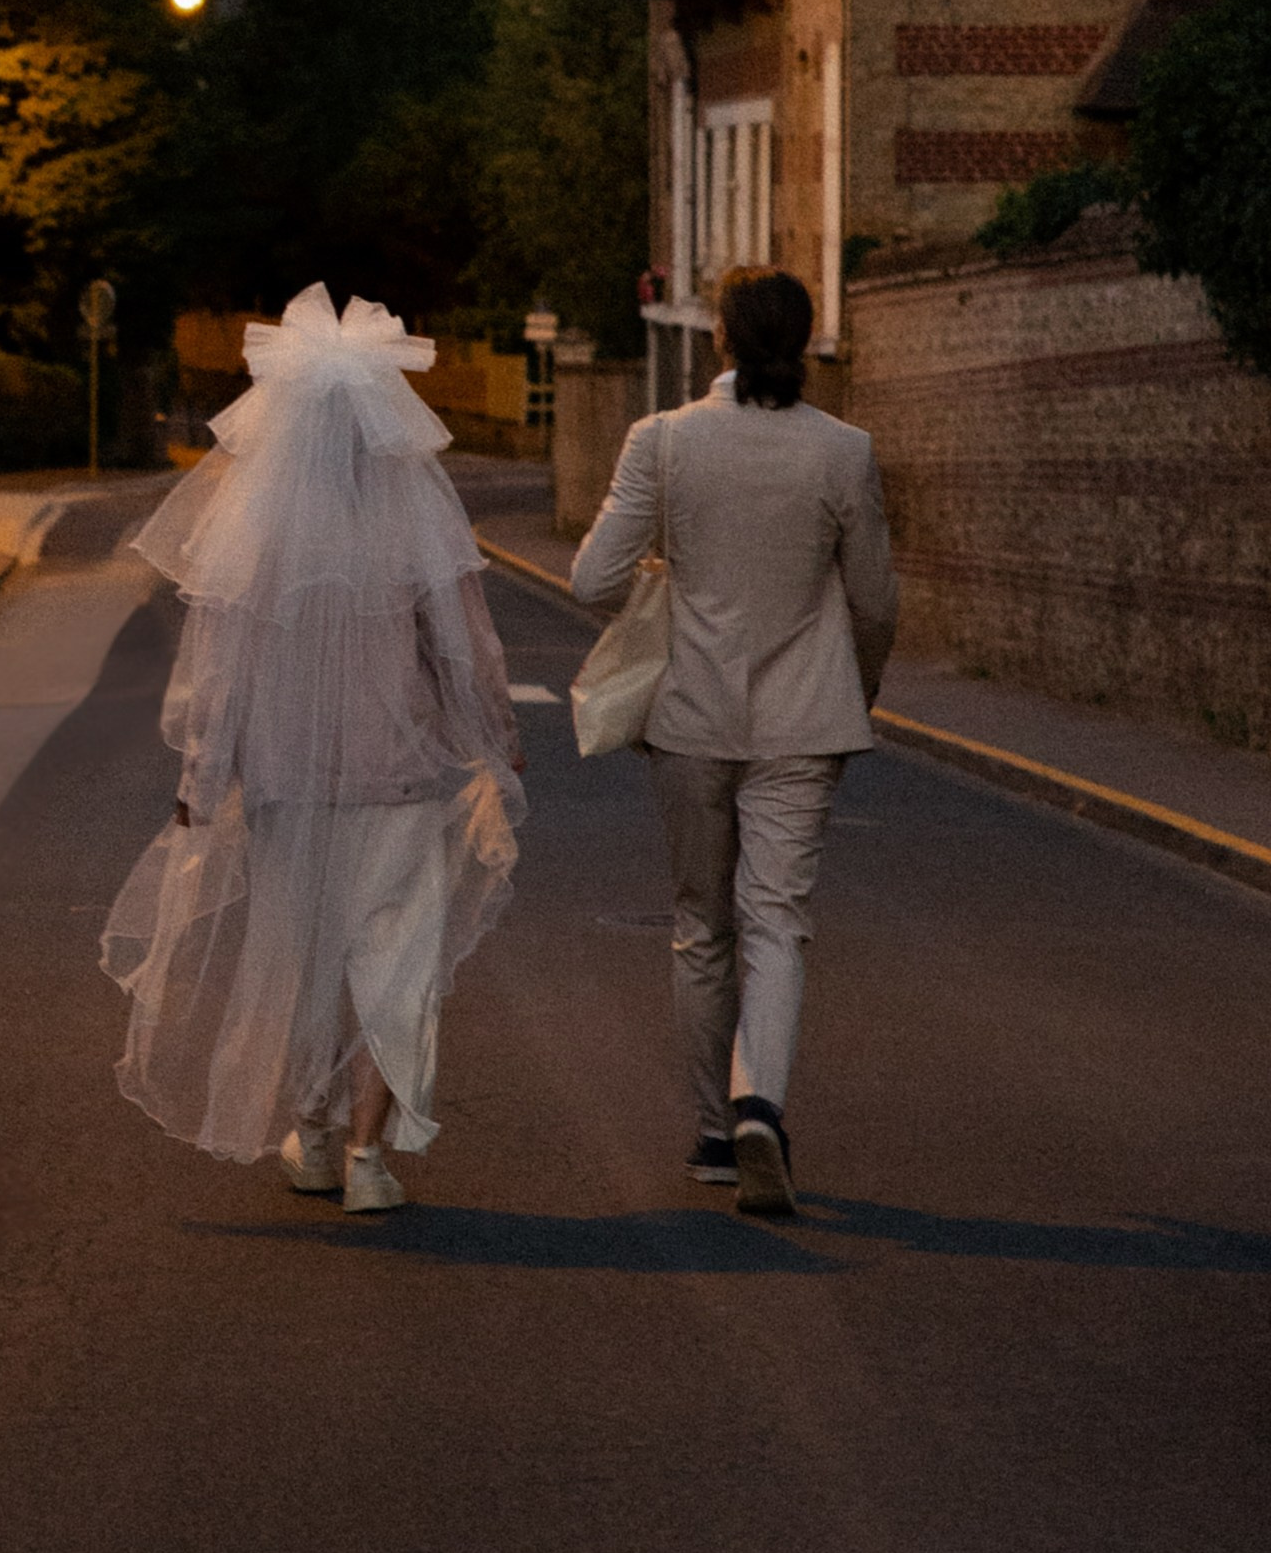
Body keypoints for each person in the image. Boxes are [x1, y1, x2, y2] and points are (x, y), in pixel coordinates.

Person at [100, 282, 526, 1215]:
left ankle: (315, 1136)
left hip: (285, 778)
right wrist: (496, 738)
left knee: (303, 960)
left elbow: (220, 672)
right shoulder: (413, 518)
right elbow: (466, 648)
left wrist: (202, 776)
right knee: (395, 963)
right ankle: (370, 1155)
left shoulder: (252, 526)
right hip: (400, 774)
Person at [570, 264, 896, 1221]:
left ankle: (716, 1134)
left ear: (717, 337)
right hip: (805, 719)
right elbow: (875, 600)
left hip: (689, 717)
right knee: (777, 920)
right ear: (804, 340)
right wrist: (856, 687)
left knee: (701, 923)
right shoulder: (844, 450)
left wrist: (665, 578)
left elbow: (591, 579)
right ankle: (763, 1104)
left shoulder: (663, 441)